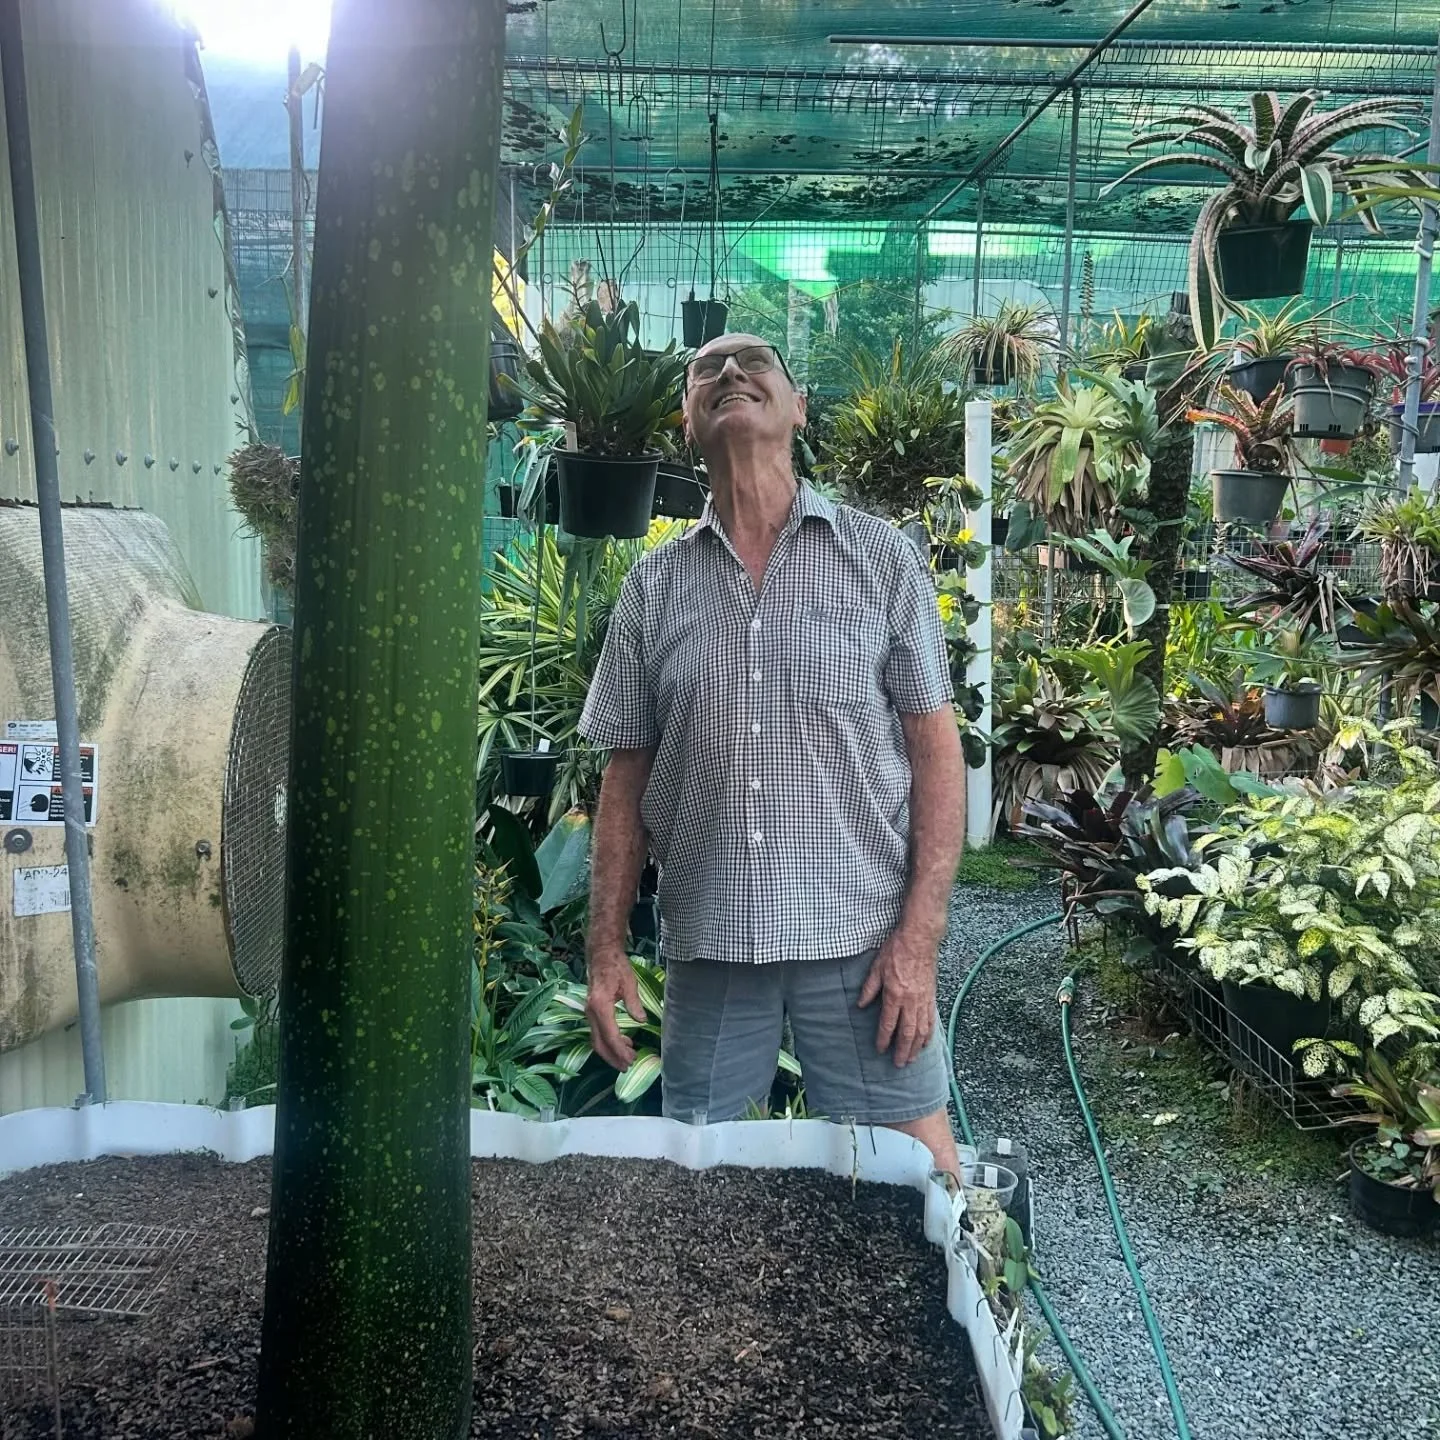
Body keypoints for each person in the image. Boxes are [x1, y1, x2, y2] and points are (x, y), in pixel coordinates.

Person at [577, 333, 965, 1177]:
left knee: (924, 1178)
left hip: (863, 940)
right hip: (711, 941)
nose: (726, 374)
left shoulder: (881, 558)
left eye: (752, 362)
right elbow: (623, 780)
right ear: (686, 421)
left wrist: (920, 940)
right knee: (705, 1193)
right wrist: (606, 949)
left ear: (797, 408)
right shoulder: (654, 586)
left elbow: (938, 755)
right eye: (704, 371)